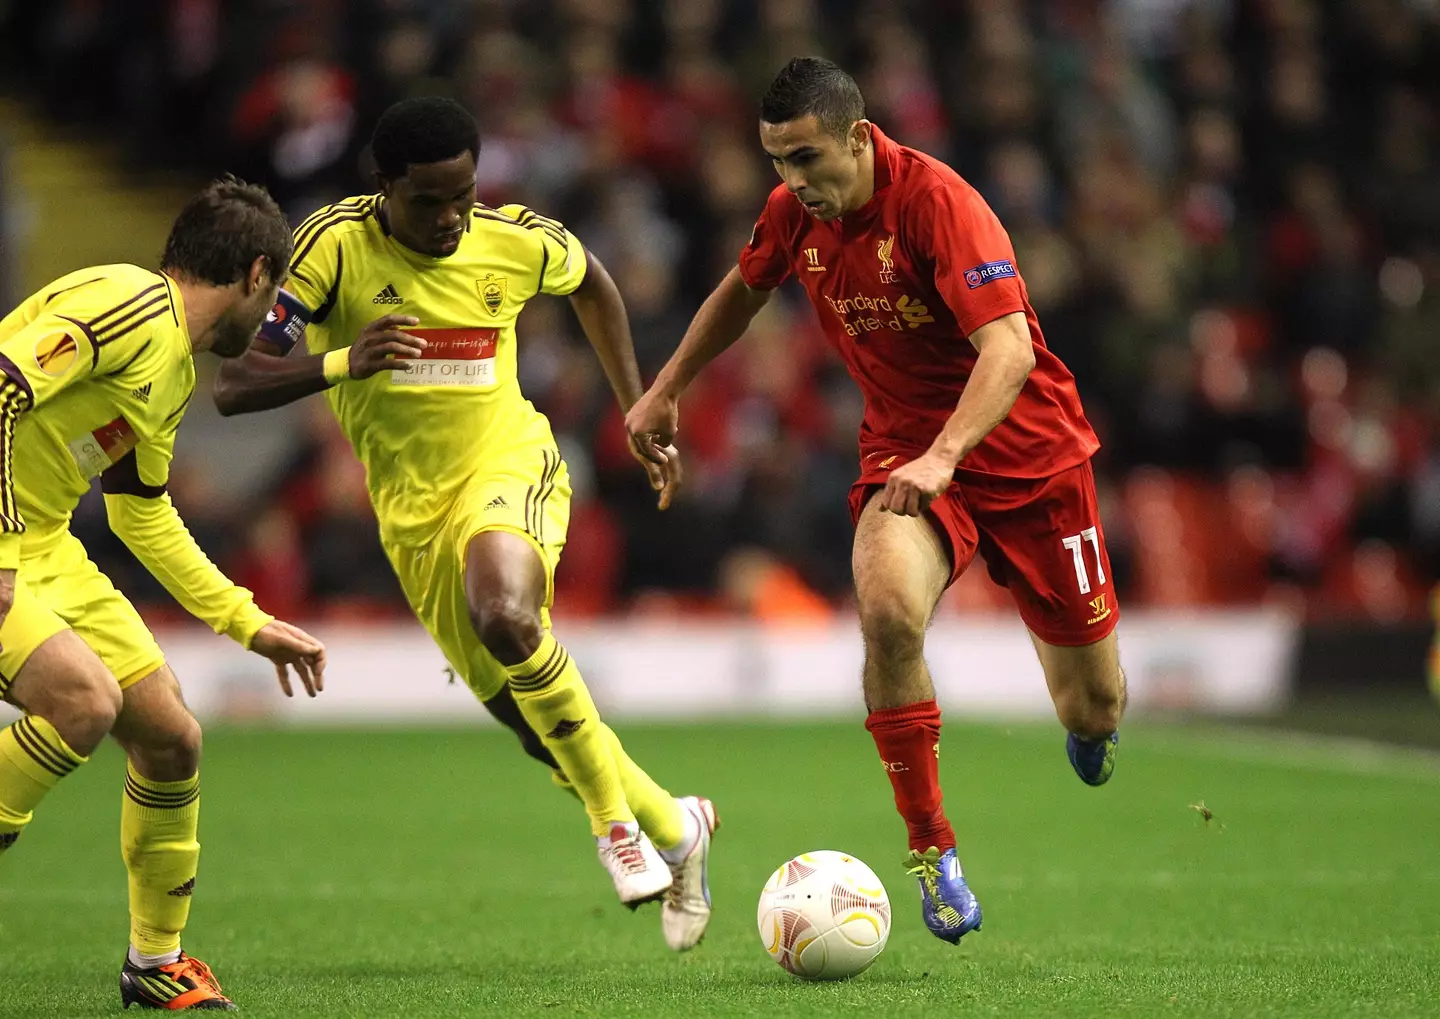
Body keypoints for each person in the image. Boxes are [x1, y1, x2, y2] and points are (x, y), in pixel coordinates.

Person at [627, 57, 1127, 945]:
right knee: (888, 611)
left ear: (858, 137)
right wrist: (669, 385)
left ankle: (1089, 729)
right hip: (908, 457)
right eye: (777, 161)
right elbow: (744, 289)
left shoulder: (938, 202)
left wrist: (946, 454)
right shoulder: (793, 214)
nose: (793, 181)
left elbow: (1007, 352)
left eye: (808, 157)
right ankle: (933, 849)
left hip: (1033, 458)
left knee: (1095, 705)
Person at [212, 97, 718, 952]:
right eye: (430, 201)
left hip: (510, 463)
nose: (452, 217)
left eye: (464, 195)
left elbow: (592, 279)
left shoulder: (512, 236)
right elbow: (236, 381)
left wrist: (639, 409)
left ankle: (614, 829)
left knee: (508, 615)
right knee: (531, 727)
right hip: (411, 515)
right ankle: (677, 824)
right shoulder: (332, 247)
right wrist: (344, 358)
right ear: (383, 189)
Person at [0, 176, 328, 1010]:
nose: (272, 320)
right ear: (257, 274)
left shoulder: (172, 367)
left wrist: (247, 622)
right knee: (82, 701)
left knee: (172, 734)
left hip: (43, 544)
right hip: (5, 536)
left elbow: (142, 514)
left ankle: (155, 960)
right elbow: (1, 386)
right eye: (276, 293)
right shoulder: (129, 304)